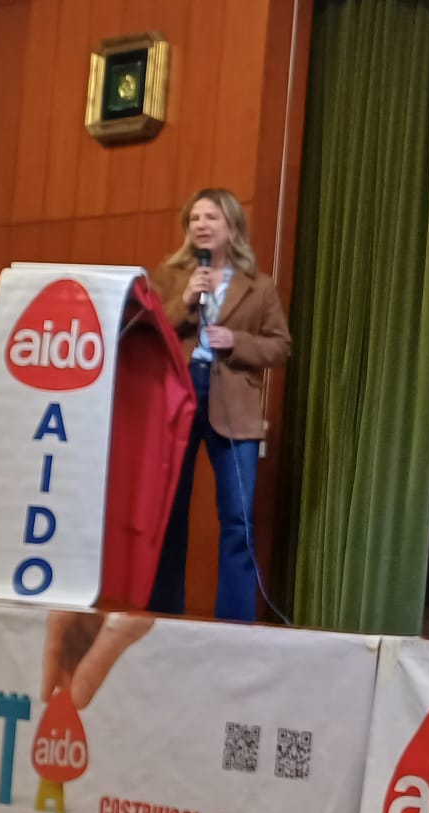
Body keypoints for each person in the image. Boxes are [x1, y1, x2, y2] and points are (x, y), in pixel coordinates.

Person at [147, 189, 292, 623]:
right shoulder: (170, 276)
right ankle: (164, 612)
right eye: (194, 219)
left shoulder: (259, 286)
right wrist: (184, 302)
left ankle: (235, 621)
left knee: (237, 517)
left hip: (234, 404)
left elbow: (280, 346)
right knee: (171, 511)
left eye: (211, 217)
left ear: (231, 226)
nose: (201, 225)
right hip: (180, 396)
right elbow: (145, 331)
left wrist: (237, 341)